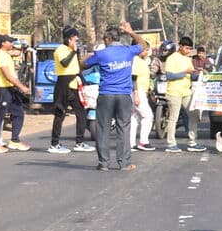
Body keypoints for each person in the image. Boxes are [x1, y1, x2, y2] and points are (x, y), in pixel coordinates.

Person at [85, 26, 146, 172]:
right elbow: (143, 45)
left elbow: (83, 64)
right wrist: (131, 31)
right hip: (124, 95)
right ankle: (124, 163)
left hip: (106, 95)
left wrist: (87, 56)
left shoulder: (101, 54)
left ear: (108, 39)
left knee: (103, 129)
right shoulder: (128, 51)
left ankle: (104, 163)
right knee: (123, 128)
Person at [0, 34, 31, 153]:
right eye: (9, 42)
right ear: (3, 43)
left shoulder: (6, 55)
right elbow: (8, 75)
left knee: (18, 113)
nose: (12, 44)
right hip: (1, 90)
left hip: (10, 89)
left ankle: (14, 140)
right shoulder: (0, 56)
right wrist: (22, 87)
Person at [48, 29, 90, 153]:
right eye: (75, 39)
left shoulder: (72, 51)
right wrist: (74, 52)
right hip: (64, 83)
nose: (76, 41)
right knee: (60, 113)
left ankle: (80, 142)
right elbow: (64, 63)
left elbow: (76, 67)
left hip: (75, 83)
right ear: (68, 39)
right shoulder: (60, 49)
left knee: (81, 112)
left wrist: (83, 81)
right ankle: (54, 144)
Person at [161, 38, 197, 152]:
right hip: (174, 92)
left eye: (190, 49)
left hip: (186, 92)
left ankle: (192, 142)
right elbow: (170, 76)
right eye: (186, 48)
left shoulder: (187, 59)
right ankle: (171, 143)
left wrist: (199, 75)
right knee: (173, 118)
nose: (188, 51)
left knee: (193, 115)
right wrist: (185, 72)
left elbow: (191, 75)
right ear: (180, 46)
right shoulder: (172, 58)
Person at [129, 41, 156, 152]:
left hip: (140, 91)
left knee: (134, 117)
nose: (147, 52)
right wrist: (136, 94)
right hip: (137, 91)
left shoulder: (141, 61)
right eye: (145, 49)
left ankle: (131, 143)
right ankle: (143, 142)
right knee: (148, 116)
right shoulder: (135, 60)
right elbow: (133, 78)